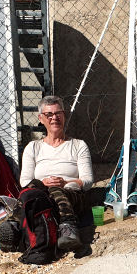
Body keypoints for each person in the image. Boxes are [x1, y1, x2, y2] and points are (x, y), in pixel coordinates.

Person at [19, 95, 93, 254]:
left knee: (54, 190)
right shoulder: (33, 147)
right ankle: (13, 226)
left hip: (72, 196)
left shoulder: (78, 145)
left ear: (64, 116)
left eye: (58, 113)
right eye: (49, 114)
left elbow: (88, 181)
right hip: (42, 195)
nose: (54, 118)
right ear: (41, 118)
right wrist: (43, 183)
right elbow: (24, 181)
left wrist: (65, 183)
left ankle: (68, 226)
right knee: (33, 190)